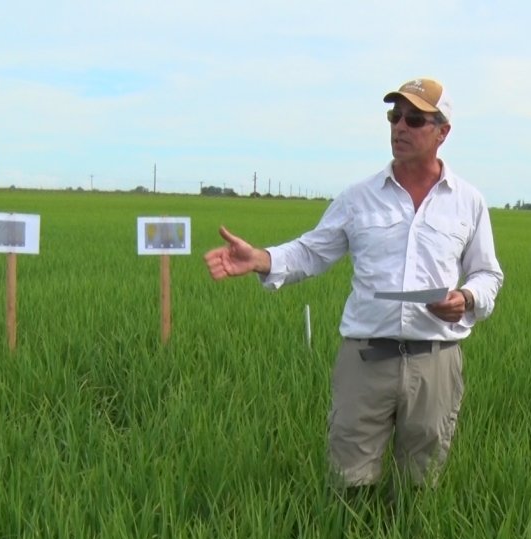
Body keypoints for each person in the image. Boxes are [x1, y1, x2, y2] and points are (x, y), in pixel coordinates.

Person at [204, 77, 503, 491]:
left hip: (435, 358)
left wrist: (467, 298)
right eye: (394, 116)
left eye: (414, 119)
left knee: (422, 476)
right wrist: (262, 259)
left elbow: (489, 273)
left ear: (442, 132)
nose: (400, 126)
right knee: (349, 475)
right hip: (365, 358)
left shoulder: (468, 201)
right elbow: (312, 251)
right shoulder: (358, 197)